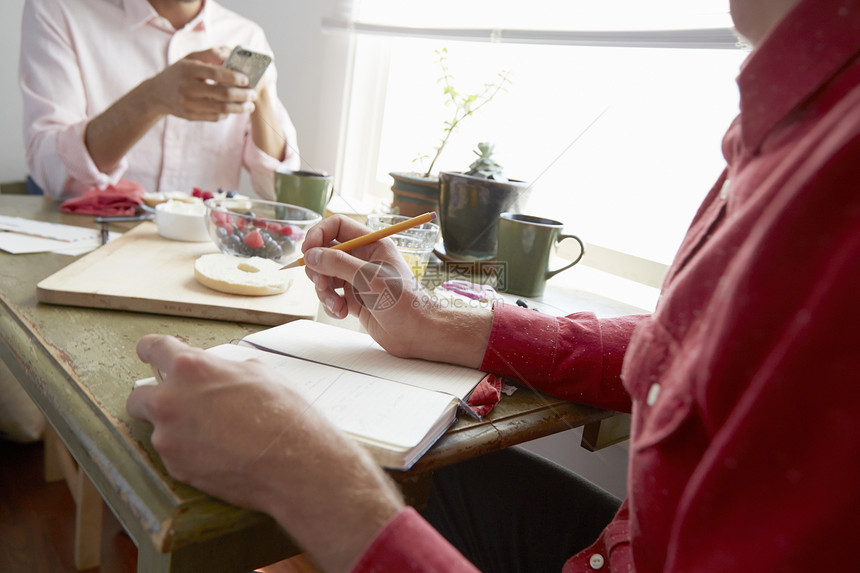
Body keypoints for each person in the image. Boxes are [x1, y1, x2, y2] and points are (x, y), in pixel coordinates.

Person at [125, 0, 860, 571]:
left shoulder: (839, 178)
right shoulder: (797, 115)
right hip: (621, 542)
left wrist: (306, 474)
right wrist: (438, 323)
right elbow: (695, 347)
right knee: (437, 478)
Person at [19, 0, 300, 201]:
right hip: (89, 245)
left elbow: (276, 189)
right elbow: (52, 171)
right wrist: (150, 99)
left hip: (198, 257)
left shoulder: (246, 37)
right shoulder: (57, 10)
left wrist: (261, 95)